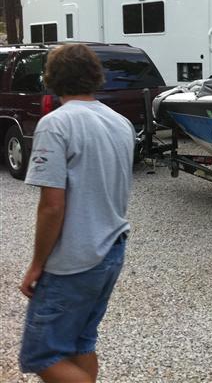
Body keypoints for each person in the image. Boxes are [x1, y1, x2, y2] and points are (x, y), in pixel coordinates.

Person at [19, 44, 135, 382]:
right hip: (111, 250)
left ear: (52, 78)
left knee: (42, 355)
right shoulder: (120, 122)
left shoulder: (56, 124)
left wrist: (37, 264)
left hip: (75, 259)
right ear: (95, 76)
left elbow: (52, 206)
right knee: (81, 341)